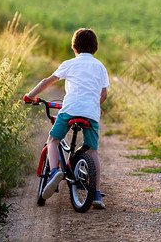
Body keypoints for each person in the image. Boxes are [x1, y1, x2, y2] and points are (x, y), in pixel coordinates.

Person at [26, 28, 109, 209]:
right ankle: (96, 195)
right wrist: (96, 105)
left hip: (70, 109)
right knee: (93, 151)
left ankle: (54, 172)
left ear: (74, 48)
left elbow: (47, 81)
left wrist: (31, 95)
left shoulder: (69, 63)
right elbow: (103, 94)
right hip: (91, 113)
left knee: (53, 140)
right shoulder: (100, 67)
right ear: (95, 49)